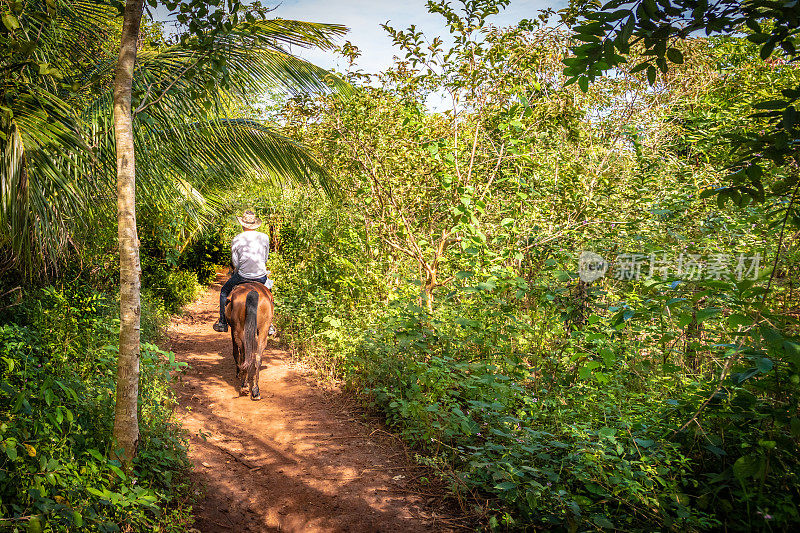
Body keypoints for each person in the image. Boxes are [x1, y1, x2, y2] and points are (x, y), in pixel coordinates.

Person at [213, 209, 274, 333]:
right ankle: (269, 324)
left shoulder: (237, 238)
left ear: (242, 224)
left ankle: (222, 322)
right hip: (260, 276)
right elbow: (265, 258)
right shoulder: (264, 237)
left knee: (224, 291)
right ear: (255, 224)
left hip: (242, 276)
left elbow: (235, 263)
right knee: (269, 295)